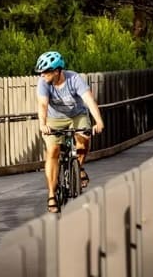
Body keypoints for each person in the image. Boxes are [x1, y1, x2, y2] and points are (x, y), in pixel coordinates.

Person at [34, 51, 105, 213]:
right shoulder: (43, 83)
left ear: (57, 71)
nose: (42, 75)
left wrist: (98, 121)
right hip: (54, 119)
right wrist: (43, 124)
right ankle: (52, 194)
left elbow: (89, 100)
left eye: (46, 72)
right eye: (41, 73)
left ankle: (78, 167)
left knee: (84, 140)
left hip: (77, 115)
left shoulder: (74, 79)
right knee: (53, 151)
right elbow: (43, 105)